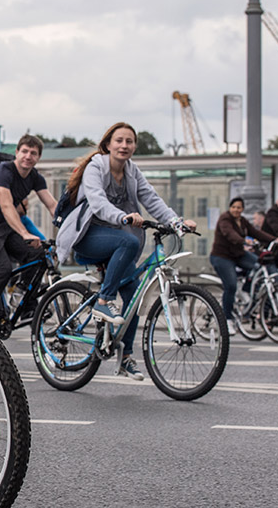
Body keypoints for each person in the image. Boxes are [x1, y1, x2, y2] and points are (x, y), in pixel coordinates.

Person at [55, 122, 195, 381]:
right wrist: (123, 218)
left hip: (117, 238)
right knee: (128, 243)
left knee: (135, 298)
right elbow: (97, 203)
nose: (124, 145)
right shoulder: (96, 166)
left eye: (129, 141)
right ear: (108, 144)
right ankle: (104, 301)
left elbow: (152, 199)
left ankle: (126, 357)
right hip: (87, 236)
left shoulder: (132, 171)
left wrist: (177, 222)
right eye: (119, 140)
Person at [0, 134, 57, 329]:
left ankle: (25, 301)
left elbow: (51, 205)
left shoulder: (35, 177)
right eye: (24, 151)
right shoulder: (3, 171)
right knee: (4, 268)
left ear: (38, 157)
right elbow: (7, 206)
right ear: (17, 153)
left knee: (37, 255)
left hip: (3, 227)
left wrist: (69, 228)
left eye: (33, 153)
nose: (28, 156)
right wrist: (24, 233)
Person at [209, 197, 278, 335]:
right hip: (222, 257)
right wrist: (244, 241)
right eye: (234, 207)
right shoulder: (225, 219)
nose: (236, 210)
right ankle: (227, 320)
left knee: (260, 265)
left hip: (238, 255)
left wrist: (274, 239)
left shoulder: (242, 221)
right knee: (231, 286)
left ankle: (247, 290)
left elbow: (256, 233)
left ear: (242, 209)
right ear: (230, 208)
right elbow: (229, 234)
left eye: (239, 207)